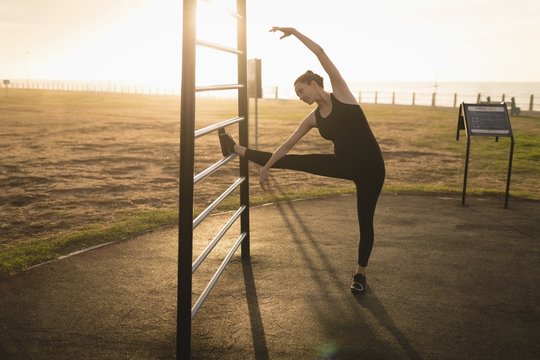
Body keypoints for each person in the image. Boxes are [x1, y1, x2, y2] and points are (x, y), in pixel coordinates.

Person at [218, 27, 385, 294]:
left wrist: (294, 32)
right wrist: (267, 168)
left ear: (313, 83)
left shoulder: (342, 93)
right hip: (341, 163)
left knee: (365, 221)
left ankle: (360, 274)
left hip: (372, 169)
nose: (300, 97)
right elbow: (287, 145)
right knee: (292, 159)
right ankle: (233, 147)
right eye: (297, 94)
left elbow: (320, 52)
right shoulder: (314, 118)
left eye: (301, 90)